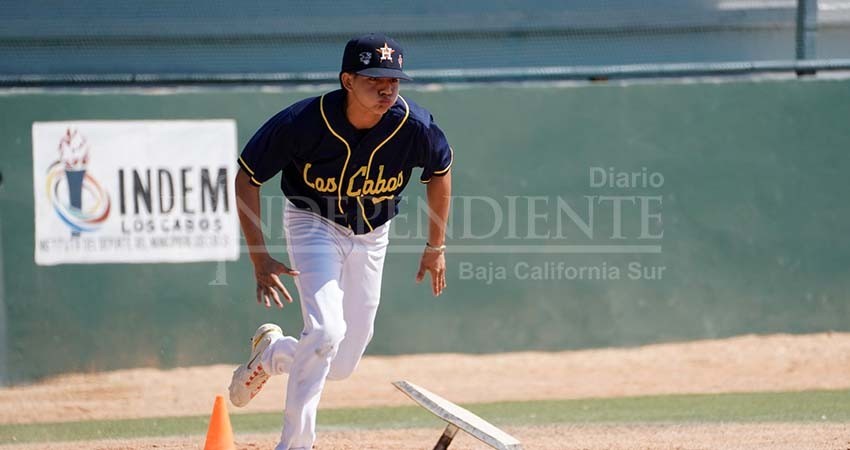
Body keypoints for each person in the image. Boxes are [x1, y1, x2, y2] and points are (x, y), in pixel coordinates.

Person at [228, 33, 453, 450]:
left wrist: (435, 247)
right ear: (347, 80)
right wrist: (260, 258)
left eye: (394, 80)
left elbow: (439, 172)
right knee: (327, 331)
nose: (387, 88)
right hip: (314, 224)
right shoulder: (304, 123)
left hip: (372, 235)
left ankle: (275, 353)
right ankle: (295, 444)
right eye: (374, 79)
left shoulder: (414, 125)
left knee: (341, 363)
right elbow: (247, 178)